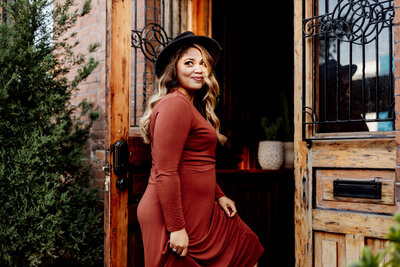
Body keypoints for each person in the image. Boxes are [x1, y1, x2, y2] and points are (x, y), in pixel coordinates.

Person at [137, 31, 264, 267]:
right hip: (175, 215)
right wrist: (176, 228)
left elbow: (195, 161)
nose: (199, 69)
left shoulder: (189, 105)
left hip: (201, 211)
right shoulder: (175, 104)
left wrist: (218, 195)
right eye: (189, 63)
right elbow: (166, 171)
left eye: (203, 64)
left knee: (247, 247)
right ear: (173, 69)